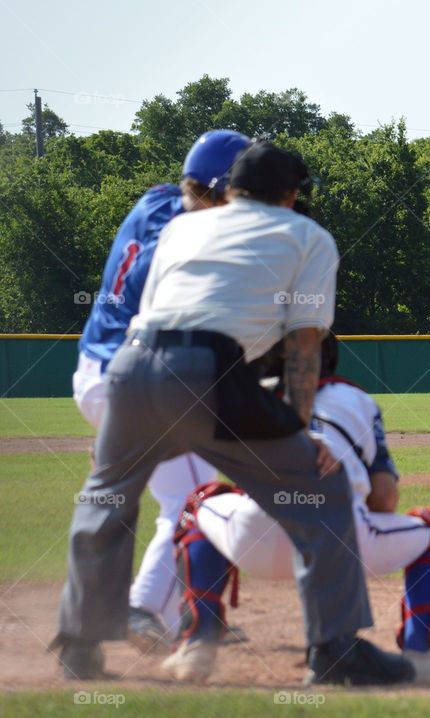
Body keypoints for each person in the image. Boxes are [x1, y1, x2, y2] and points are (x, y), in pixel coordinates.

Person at [51, 141, 414, 686]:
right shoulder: (308, 236)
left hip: (129, 368)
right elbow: (304, 344)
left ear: (232, 189)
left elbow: (151, 313)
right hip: (208, 371)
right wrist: (298, 427)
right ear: (290, 194)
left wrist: (121, 432)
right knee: (320, 490)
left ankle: (78, 647)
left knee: (105, 496)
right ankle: (335, 650)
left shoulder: (180, 227)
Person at [162, 333, 430, 682]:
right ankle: (421, 652)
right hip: (342, 545)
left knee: (200, 503)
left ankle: (196, 644)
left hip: (253, 541)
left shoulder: (251, 395)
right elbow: (384, 498)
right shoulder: (357, 399)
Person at [72, 129, 252, 652]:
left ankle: (169, 615)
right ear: (218, 191)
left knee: (171, 495)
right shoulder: (193, 240)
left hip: (96, 370)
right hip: (137, 377)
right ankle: (143, 609)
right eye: (237, 194)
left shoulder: (153, 201)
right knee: (195, 500)